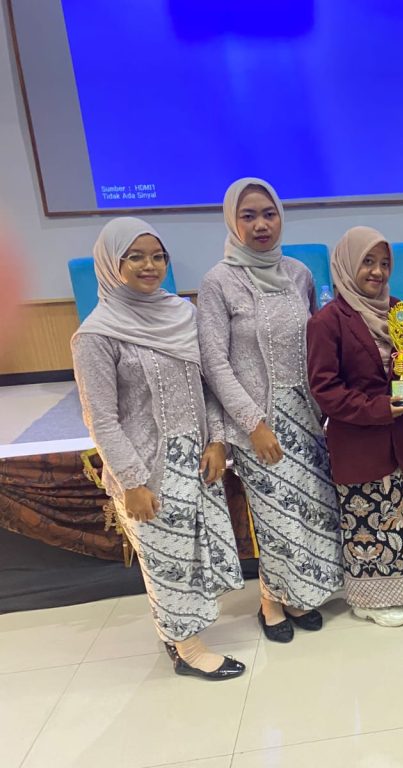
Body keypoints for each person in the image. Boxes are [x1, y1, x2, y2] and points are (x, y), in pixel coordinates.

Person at [72, 218, 245, 680]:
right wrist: (132, 482)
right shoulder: (97, 335)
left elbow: (208, 384)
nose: (149, 266)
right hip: (147, 469)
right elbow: (100, 419)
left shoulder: (181, 315)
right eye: (135, 257)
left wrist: (217, 439)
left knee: (193, 553)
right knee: (166, 560)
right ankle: (187, 649)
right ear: (112, 264)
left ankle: (180, 633)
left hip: (197, 460)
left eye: (157, 256)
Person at [198, 177, 343, 642]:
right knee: (275, 515)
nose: (261, 225)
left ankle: (298, 595)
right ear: (232, 221)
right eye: (249, 216)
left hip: (306, 413)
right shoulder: (218, 282)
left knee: (308, 509)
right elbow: (213, 363)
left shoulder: (299, 273)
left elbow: (316, 341)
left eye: (268, 214)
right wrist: (252, 423)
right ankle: (270, 601)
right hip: (257, 419)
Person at [306, 226, 403, 627]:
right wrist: (379, 408)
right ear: (347, 265)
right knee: (368, 518)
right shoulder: (328, 322)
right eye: (368, 262)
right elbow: (325, 390)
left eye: (384, 263)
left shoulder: (397, 311)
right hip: (358, 439)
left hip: (397, 434)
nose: (377, 272)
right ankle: (369, 599)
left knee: (398, 510)